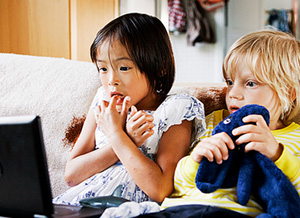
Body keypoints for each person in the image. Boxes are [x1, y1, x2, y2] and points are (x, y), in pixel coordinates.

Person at [136, 29, 300, 217]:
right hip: (182, 210)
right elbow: (177, 187)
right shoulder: (213, 121)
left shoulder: (296, 137)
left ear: (287, 93)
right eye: (230, 81)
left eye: (250, 83)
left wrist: (278, 154)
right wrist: (195, 160)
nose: (232, 93)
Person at [53, 13, 206, 206]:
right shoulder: (103, 103)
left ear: (159, 68)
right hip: (82, 204)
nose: (111, 81)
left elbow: (160, 190)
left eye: (124, 68)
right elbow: (72, 176)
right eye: (103, 69)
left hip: (129, 208)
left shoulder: (176, 109)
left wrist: (117, 135)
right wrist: (128, 140)